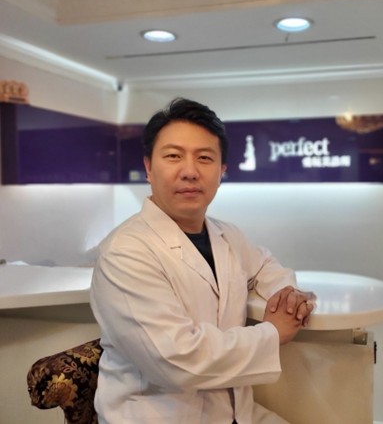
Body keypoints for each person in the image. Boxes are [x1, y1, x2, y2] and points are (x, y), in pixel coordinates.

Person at [90, 97, 315, 424]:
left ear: (222, 170)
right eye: (173, 156)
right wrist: (273, 333)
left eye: (205, 158)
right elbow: (178, 362)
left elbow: (264, 266)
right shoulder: (125, 252)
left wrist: (287, 295)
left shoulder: (226, 234)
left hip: (238, 413)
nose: (190, 172)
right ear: (149, 168)